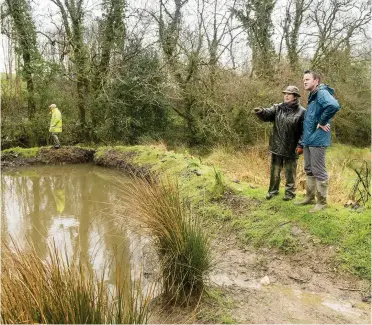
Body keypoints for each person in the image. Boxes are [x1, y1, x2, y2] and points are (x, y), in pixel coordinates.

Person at [294, 70, 340, 212]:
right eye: (303, 80)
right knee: (309, 169)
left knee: (319, 171)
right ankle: (310, 197)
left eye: (307, 79)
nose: (305, 81)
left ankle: (322, 202)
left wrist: (322, 121)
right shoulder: (312, 96)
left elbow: (333, 105)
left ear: (316, 81)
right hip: (309, 140)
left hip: (318, 139)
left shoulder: (321, 93)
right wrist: (303, 142)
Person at [253, 86, 305, 201]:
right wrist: (261, 112)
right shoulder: (277, 108)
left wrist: (301, 145)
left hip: (292, 147)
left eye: (289, 94)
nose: (286, 95)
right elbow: (267, 114)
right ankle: (273, 191)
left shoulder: (302, 112)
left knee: (290, 172)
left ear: (295, 97)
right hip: (276, 145)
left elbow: (304, 131)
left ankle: (290, 193)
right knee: (275, 171)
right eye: (285, 93)